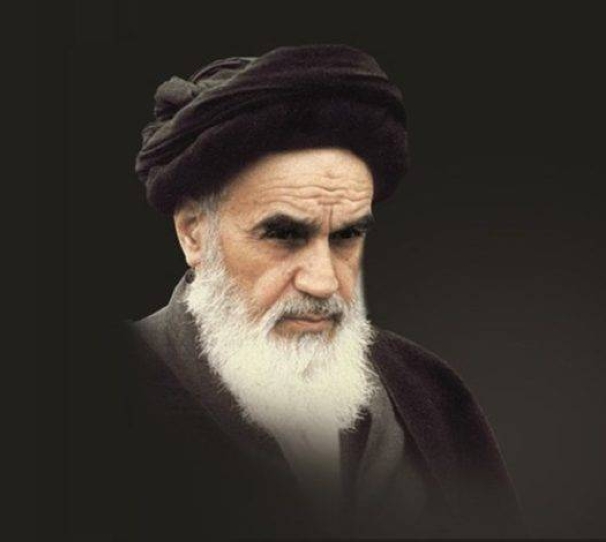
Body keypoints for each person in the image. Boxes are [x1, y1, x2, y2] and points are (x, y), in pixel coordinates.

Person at [122, 44, 523, 538]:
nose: (324, 281)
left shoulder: (429, 393)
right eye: (283, 235)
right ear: (193, 234)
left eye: (346, 236)